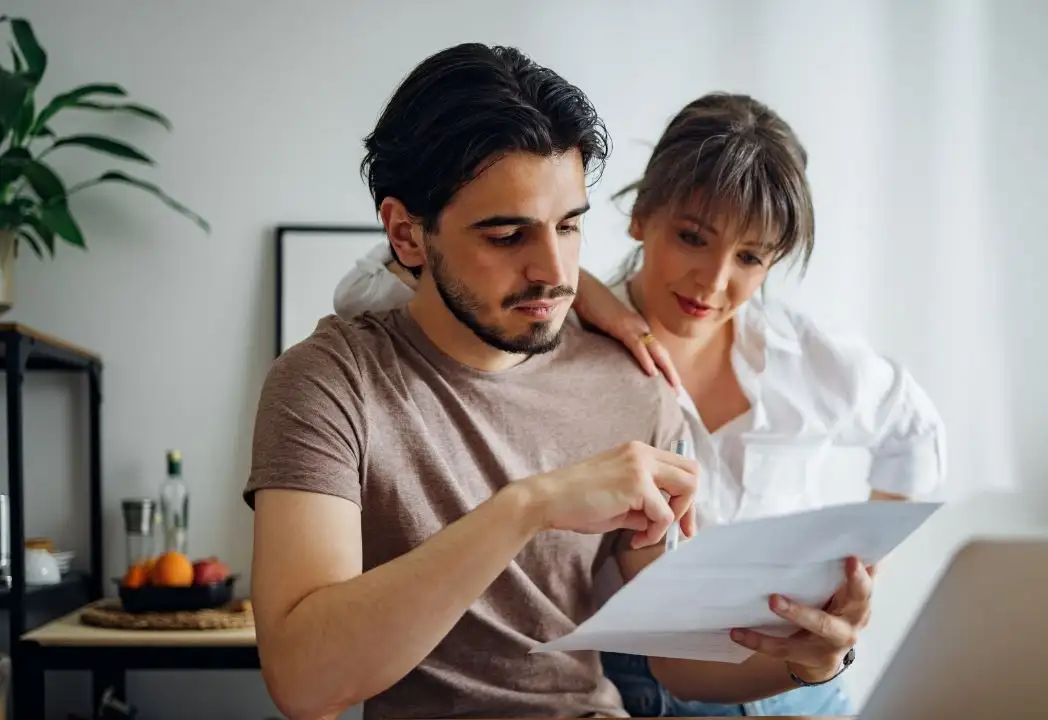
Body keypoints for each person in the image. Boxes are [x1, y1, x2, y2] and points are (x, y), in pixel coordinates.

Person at [248, 44, 874, 720]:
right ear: (406, 234)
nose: (554, 270)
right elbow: (305, 683)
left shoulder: (631, 385)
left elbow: (679, 657)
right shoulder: (329, 385)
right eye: (506, 235)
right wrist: (529, 507)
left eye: (569, 225)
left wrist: (806, 658)